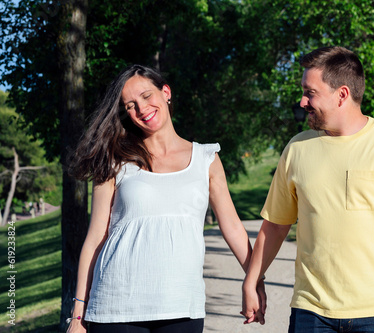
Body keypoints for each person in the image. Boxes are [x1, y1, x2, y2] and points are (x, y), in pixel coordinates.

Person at [242, 46, 374, 333]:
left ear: (341, 94)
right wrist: (252, 280)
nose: (302, 101)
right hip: (310, 311)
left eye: (310, 92)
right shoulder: (297, 149)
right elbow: (275, 225)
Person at [67, 64, 265, 333]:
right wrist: (78, 314)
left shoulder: (206, 159)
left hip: (181, 305)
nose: (141, 109)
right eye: (130, 106)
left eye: (147, 96)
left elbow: (232, 228)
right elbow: (95, 239)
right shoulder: (114, 161)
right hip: (115, 306)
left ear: (166, 92)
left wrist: (255, 282)